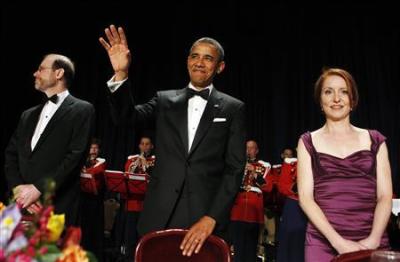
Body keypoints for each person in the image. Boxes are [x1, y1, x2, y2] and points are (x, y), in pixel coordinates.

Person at [99, 25, 246, 256]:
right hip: (159, 216)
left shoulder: (233, 108)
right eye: (195, 56)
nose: (199, 62)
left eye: (208, 59)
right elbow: (125, 118)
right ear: (187, 61)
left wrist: (212, 217)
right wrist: (121, 74)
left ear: (220, 67)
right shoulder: (165, 100)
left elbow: (235, 169)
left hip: (205, 221)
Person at [297, 68, 392, 261]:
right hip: (323, 242)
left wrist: (373, 241)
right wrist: (339, 243)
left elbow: (385, 195)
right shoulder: (307, 141)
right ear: (320, 102)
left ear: (353, 100)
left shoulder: (375, 140)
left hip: (372, 238)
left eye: (344, 91)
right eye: (328, 91)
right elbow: (306, 198)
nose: (336, 98)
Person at [4, 53, 95, 226]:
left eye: (41, 69)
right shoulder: (27, 115)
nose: (35, 74)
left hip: (57, 208)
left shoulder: (83, 110)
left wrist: (38, 189)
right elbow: (11, 155)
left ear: (59, 73)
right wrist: (19, 191)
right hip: (21, 205)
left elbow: (74, 158)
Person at [114, 136, 155, 261]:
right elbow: (127, 175)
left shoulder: (155, 160)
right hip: (131, 204)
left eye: (147, 144)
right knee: (130, 237)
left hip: (147, 206)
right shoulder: (131, 159)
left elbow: (155, 180)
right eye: (142, 144)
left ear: (152, 146)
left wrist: (146, 167)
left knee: (144, 238)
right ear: (139, 146)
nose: (144, 146)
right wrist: (136, 165)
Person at [230, 140, 271, 262]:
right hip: (237, 211)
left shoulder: (263, 166)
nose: (248, 150)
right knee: (237, 248)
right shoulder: (237, 164)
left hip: (254, 213)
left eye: (252, 148)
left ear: (256, 151)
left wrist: (254, 172)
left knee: (251, 249)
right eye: (246, 148)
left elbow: (268, 187)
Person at [277, 148, 308, 262]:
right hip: (293, 206)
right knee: (289, 241)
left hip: (312, 206)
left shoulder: (317, 164)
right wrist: (297, 187)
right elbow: (282, 187)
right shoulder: (290, 164)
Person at [80, 138, 106, 261]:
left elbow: (96, 171)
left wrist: (85, 169)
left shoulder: (101, 162)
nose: (94, 150)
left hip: (96, 200)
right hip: (83, 200)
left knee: (94, 230)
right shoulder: (84, 161)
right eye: (91, 148)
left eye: (96, 148)